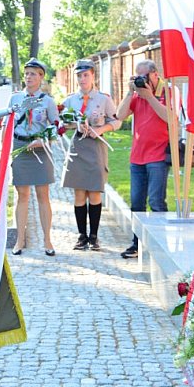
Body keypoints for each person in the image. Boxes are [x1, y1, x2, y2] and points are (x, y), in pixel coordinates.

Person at [61, 59, 120, 251]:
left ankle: (94, 237)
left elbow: (116, 121)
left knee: (94, 192)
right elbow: (62, 123)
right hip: (78, 146)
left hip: (95, 146)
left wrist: (101, 129)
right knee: (79, 192)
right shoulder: (71, 100)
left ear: (93, 75)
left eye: (86, 75)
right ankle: (81, 236)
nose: (82, 79)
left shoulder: (103, 99)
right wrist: (72, 124)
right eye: (79, 75)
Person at [116, 59, 169, 259]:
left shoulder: (167, 92)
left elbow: (170, 118)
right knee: (137, 203)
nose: (141, 81)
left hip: (158, 155)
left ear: (155, 75)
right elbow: (120, 116)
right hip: (137, 157)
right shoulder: (137, 95)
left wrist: (149, 96)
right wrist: (131, 92)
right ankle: (136, 243)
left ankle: (160, 245)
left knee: (156, 202)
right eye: (138, 77)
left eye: (144, 77)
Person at [10, 58, 58, 256]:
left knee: (42, 195)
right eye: (27, 73)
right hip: (21, 147)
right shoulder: (15, 99)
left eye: (33, 74)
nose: (28, 77)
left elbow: (56, 127)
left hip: (40, 148)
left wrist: (43, 140)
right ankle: (20, 240)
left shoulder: (47, 101)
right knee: (22, 195)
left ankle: (47, 240)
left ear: (41, 77)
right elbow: (8, 123)